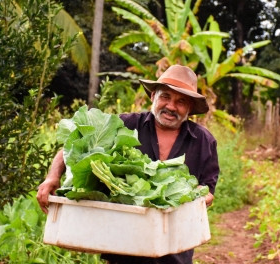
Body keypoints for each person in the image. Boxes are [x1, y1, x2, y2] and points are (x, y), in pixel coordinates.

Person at [37, 65, 220, 264]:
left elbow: (207, 190)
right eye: (165, 97)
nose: (171, 106)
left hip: (174, 251)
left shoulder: (204, 142)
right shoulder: (125, 124)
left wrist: (200, 196)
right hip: (123, 248)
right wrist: (52, 177)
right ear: (153, 97)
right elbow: (74, 142)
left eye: (181, 101)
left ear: (190, 108)